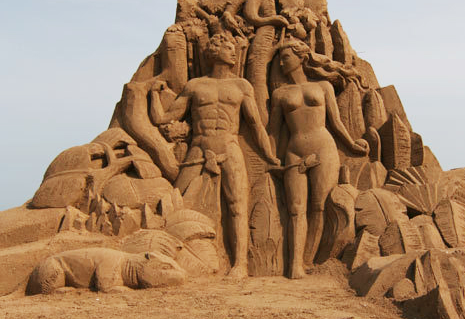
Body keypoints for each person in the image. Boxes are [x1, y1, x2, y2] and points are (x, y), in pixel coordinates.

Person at [150, 32, 280, 278]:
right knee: (178, 197)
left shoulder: (242, 86)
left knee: (237, 203)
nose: (233, 51)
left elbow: (255, 126)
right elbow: (164, 118)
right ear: (213, 52)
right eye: (227, 47)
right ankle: (169, 255)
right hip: (199, 146)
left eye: (233, 47)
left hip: (230, 146)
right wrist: (153, 96)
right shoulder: (195, 85)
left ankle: (240, 264)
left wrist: (270, 156)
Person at [268, 38, 368, 278]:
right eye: (280, 59)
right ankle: (294, 265)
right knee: (295, 209)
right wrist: (272, 158)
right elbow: (274, 132)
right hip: (294, 150)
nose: (282, 62)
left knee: (319, 206)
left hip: (324, 148)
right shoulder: (280, 94)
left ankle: (308, 259)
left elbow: (335, 122)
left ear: (301, 57)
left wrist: (352, 144)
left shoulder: (323, 87)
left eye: (287, 57)